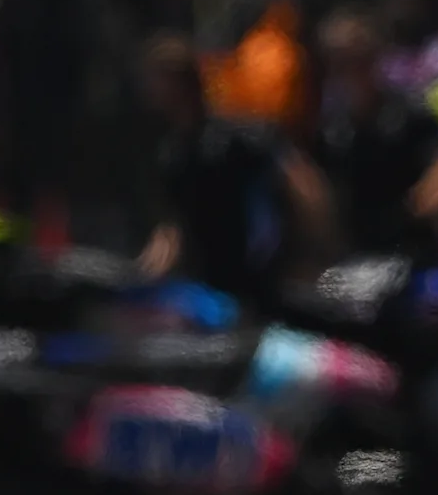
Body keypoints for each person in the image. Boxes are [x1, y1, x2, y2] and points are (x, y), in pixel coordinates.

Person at [135, 33, 328, 313]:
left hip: (259, 283)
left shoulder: (240, 139)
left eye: (158, 80)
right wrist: (143, 277)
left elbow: (303, 187)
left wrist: (315, 254)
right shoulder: (173, 154)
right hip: (209, 285)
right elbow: (173, 226)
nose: (151, 90)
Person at [308, 6, 438, 258]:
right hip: (354, 253)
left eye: (359, 60)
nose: (351, 72)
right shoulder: (331, 132)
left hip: (415, 246)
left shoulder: (411, 115)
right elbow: (323, 196)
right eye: (339, 63)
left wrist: (423, 205)